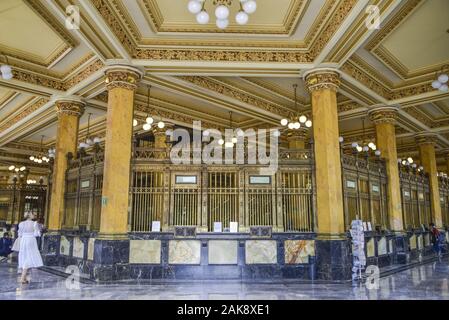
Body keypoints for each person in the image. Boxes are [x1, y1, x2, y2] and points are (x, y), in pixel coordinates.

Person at [17, 212, 43, 284]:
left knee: (24, 256)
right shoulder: (34, 223)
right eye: (33, 214)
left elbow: (19, 234)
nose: (34, 215)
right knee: (29, 257)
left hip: (23, 240)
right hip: (31, 240)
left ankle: (24, 278)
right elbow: (37, 234)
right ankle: (22, 278)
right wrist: (40, 230)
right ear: (29, 215)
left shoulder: (21, 223)